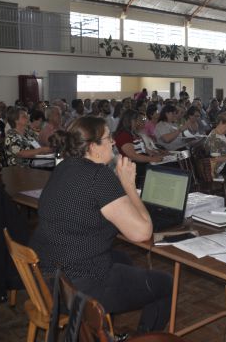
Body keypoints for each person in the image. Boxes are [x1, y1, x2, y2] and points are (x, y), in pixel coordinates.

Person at [30, 116, 172, 333]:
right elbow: (142, 232)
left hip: (49, 274)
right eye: (108, 138)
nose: (113, 143)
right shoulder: (99, 175)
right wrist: (128, 185)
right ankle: (142, 336)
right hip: (79, 284)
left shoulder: (64, 167)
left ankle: (103, 330)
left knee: (123, 258)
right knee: (166, 283)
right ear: (93, 147)